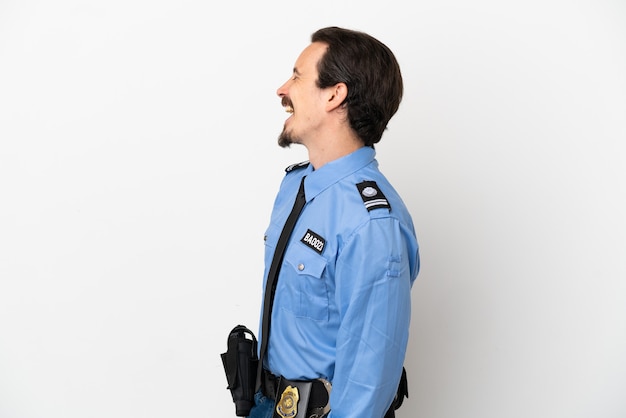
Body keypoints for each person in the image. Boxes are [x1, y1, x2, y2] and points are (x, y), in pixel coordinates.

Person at [249, 26, 420, 418]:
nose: (282, 89)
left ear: (334, 94)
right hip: (269, 406)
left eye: (296, 76)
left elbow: (367, 385)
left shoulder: (373, 224)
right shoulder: (297, 186)